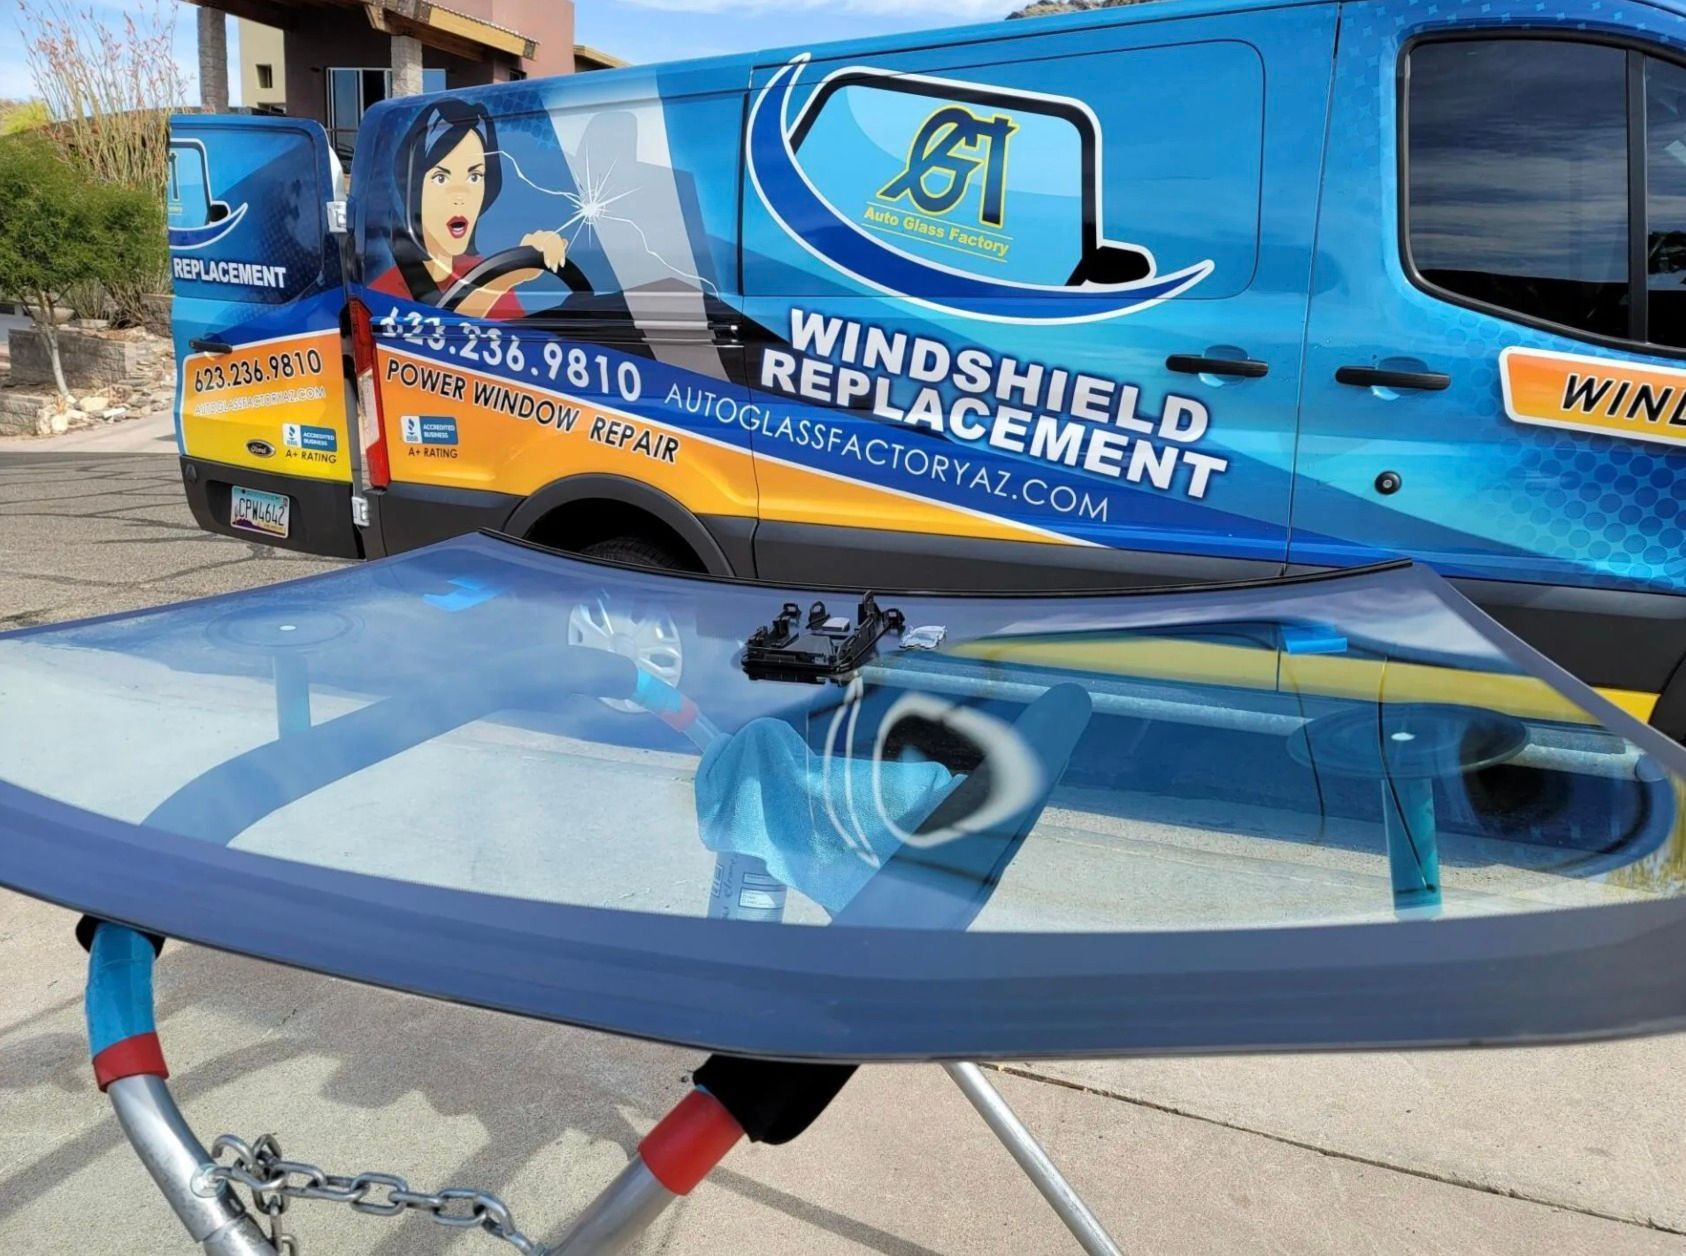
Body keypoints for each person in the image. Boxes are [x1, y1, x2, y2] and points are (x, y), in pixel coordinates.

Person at [370, 98, 567, 320]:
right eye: (441, 177)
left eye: (474, 176)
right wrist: (510, 274)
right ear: (412, 188)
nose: (460, 194)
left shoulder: (482, 272)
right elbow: (444, 330)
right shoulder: (385, 290)